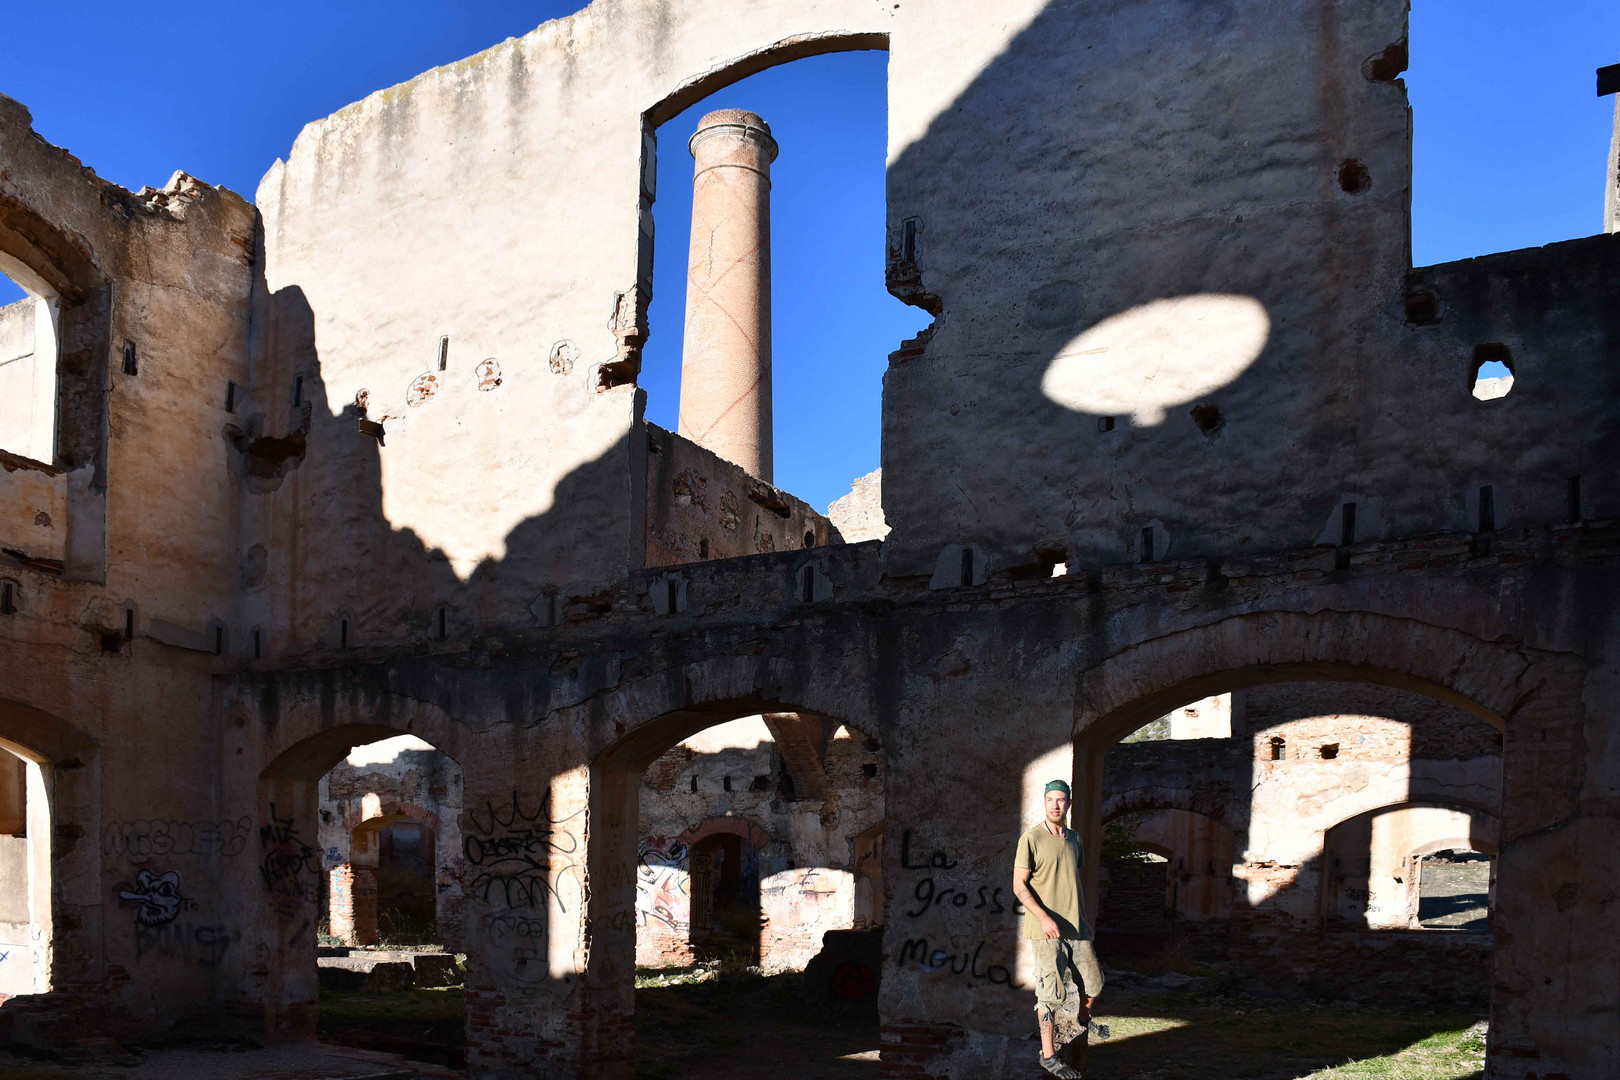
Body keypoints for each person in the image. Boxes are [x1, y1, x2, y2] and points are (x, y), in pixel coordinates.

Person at [1012, 779, 1104, 1079]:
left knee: (1094, 983)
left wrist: (1083, 917)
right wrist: (1043, 917)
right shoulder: (1031, 838)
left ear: (1068, 804)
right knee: (1050, 995)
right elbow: (1019, 887)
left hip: (1076, 927)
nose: (1055, 805)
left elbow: (1073, 881)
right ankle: (1048, 1055)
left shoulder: (1074, 839)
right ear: (1045, 802)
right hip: (1046, 931)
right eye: (1050, 799)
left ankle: (1079, 1023)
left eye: (1061, 800)